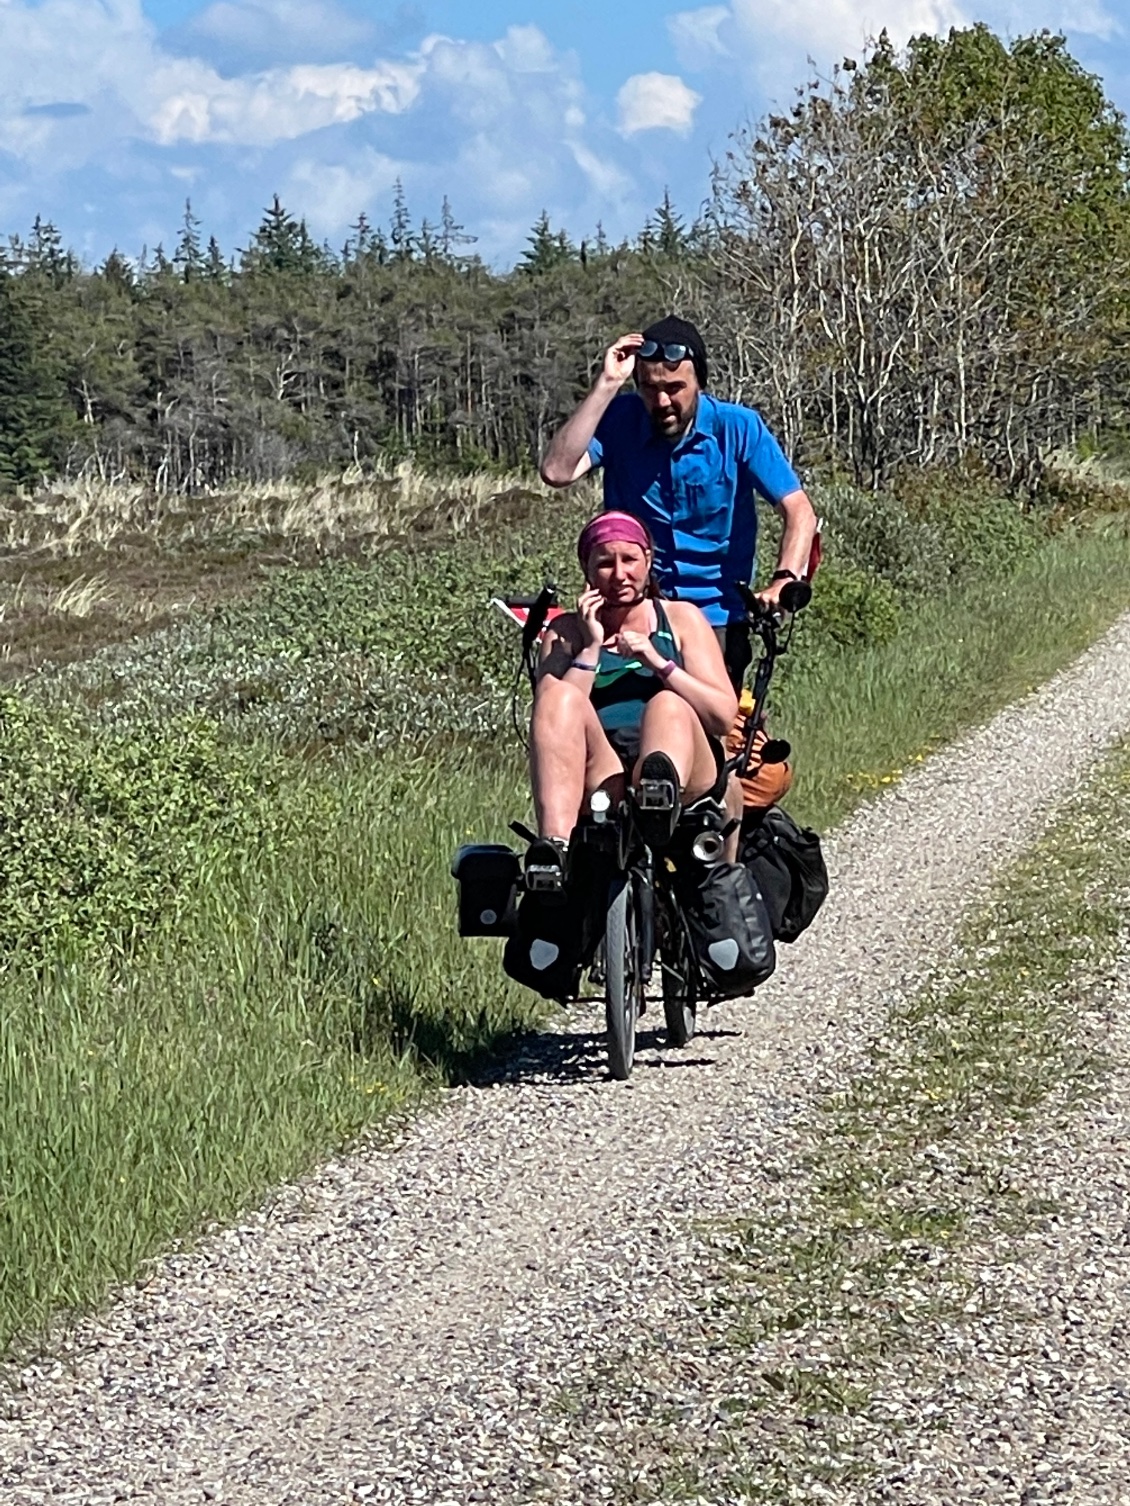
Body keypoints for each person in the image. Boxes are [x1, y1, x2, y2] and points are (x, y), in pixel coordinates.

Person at [539, 315, 817, 691]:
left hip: (717, 614)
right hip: (637, 609)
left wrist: (783, 580)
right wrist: (607, 384)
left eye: (675, 387)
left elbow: (798, 510)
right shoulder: (620, 421)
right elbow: (557, 471)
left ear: (699, 382)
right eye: (650, 388)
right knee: (618, 725)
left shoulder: (738, 428)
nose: (663, 401)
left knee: (713, 732)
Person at [527, 511, 737, 873]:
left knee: (667, 703)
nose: (619, 574)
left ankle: (658, 796)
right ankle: (555, 851)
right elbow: (557, 713)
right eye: (605, 563)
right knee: (557, 696)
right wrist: (591, 648)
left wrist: (659, 663)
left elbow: (722, 716)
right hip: (607, 768)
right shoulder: (565, 633)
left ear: (648, 560)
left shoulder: (682, 618)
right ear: (587, 569)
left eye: (630, 560)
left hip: (683, 761)